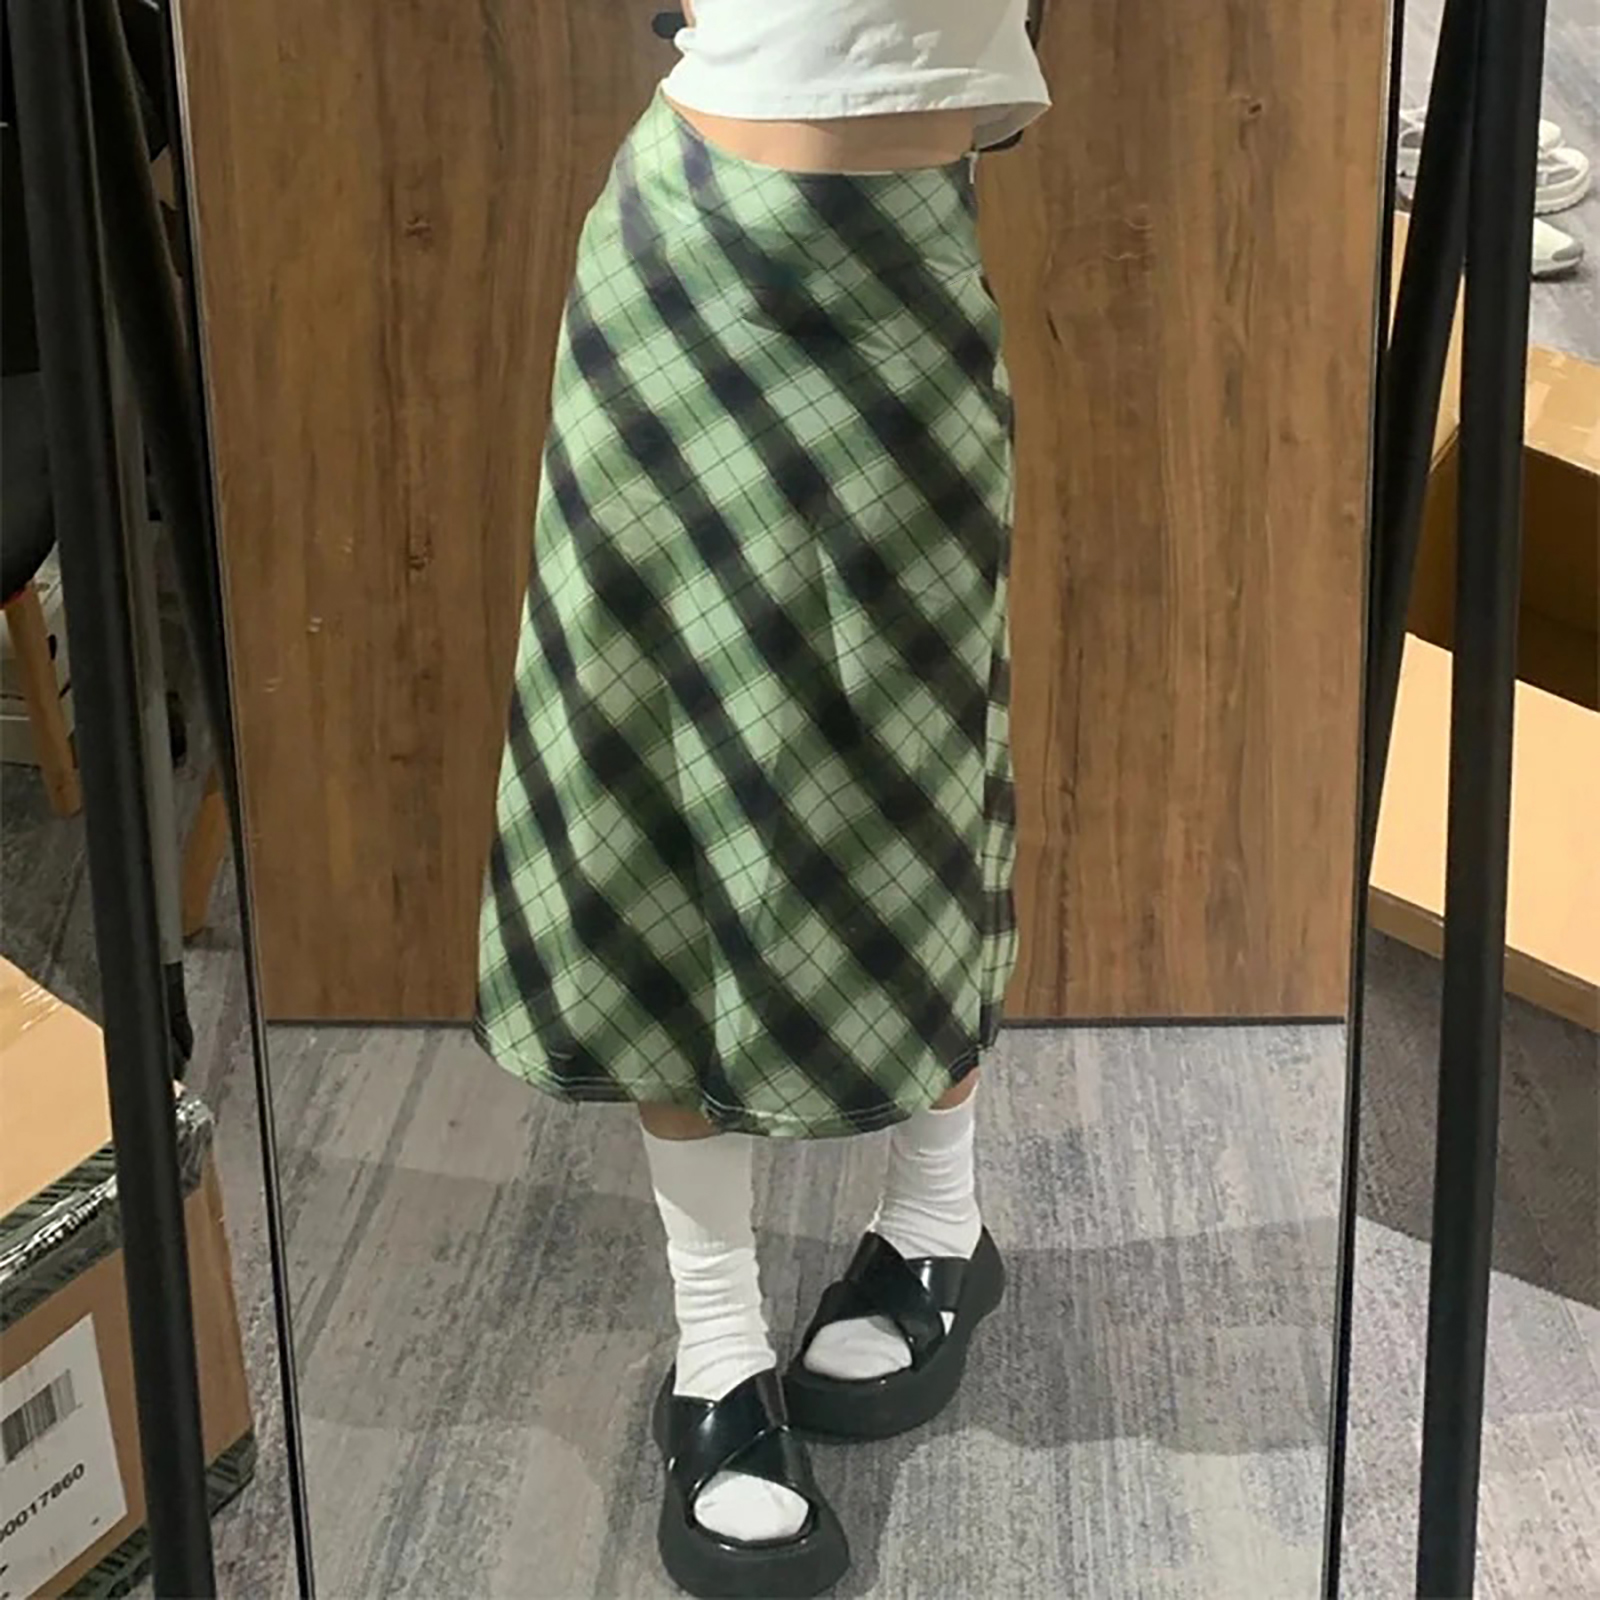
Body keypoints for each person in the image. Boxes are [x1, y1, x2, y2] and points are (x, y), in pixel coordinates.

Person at [476, 4, 1049, 1594]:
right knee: (662, 786)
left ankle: (937, 1226)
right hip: (677, 262)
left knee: (920, 774)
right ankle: (717, 1349)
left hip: (906, 270)